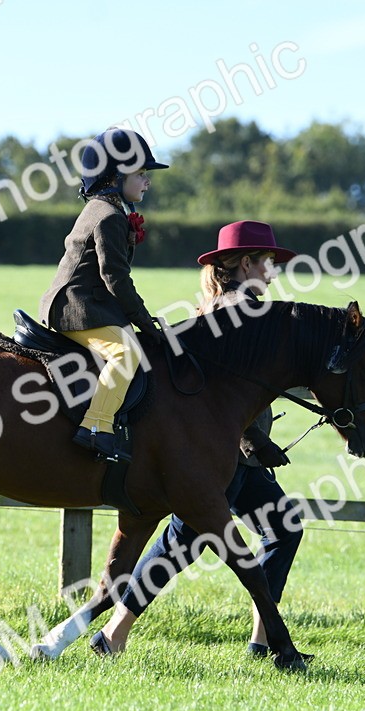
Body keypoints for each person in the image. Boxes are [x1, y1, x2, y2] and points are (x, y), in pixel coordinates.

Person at [90, 220, 305, 657]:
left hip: (238, 458)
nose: (275, 271)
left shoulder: (234, 312)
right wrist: (253, 442)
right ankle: (112, 634)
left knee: (276, 528)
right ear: (246, 264)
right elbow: (214, 398)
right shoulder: (234, 317)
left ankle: (262, 643)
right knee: (181, 543)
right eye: (269, 262)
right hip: (217, 458)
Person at [39, 128, 169, 460]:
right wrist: (144, 321)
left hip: (90, 304)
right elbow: (116, 278)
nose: (146, 181)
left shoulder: (106, 209)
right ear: (115, 176)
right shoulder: (109, 216)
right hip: (77, 307)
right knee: (126, 354)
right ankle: (96, 427)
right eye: (140, 173)